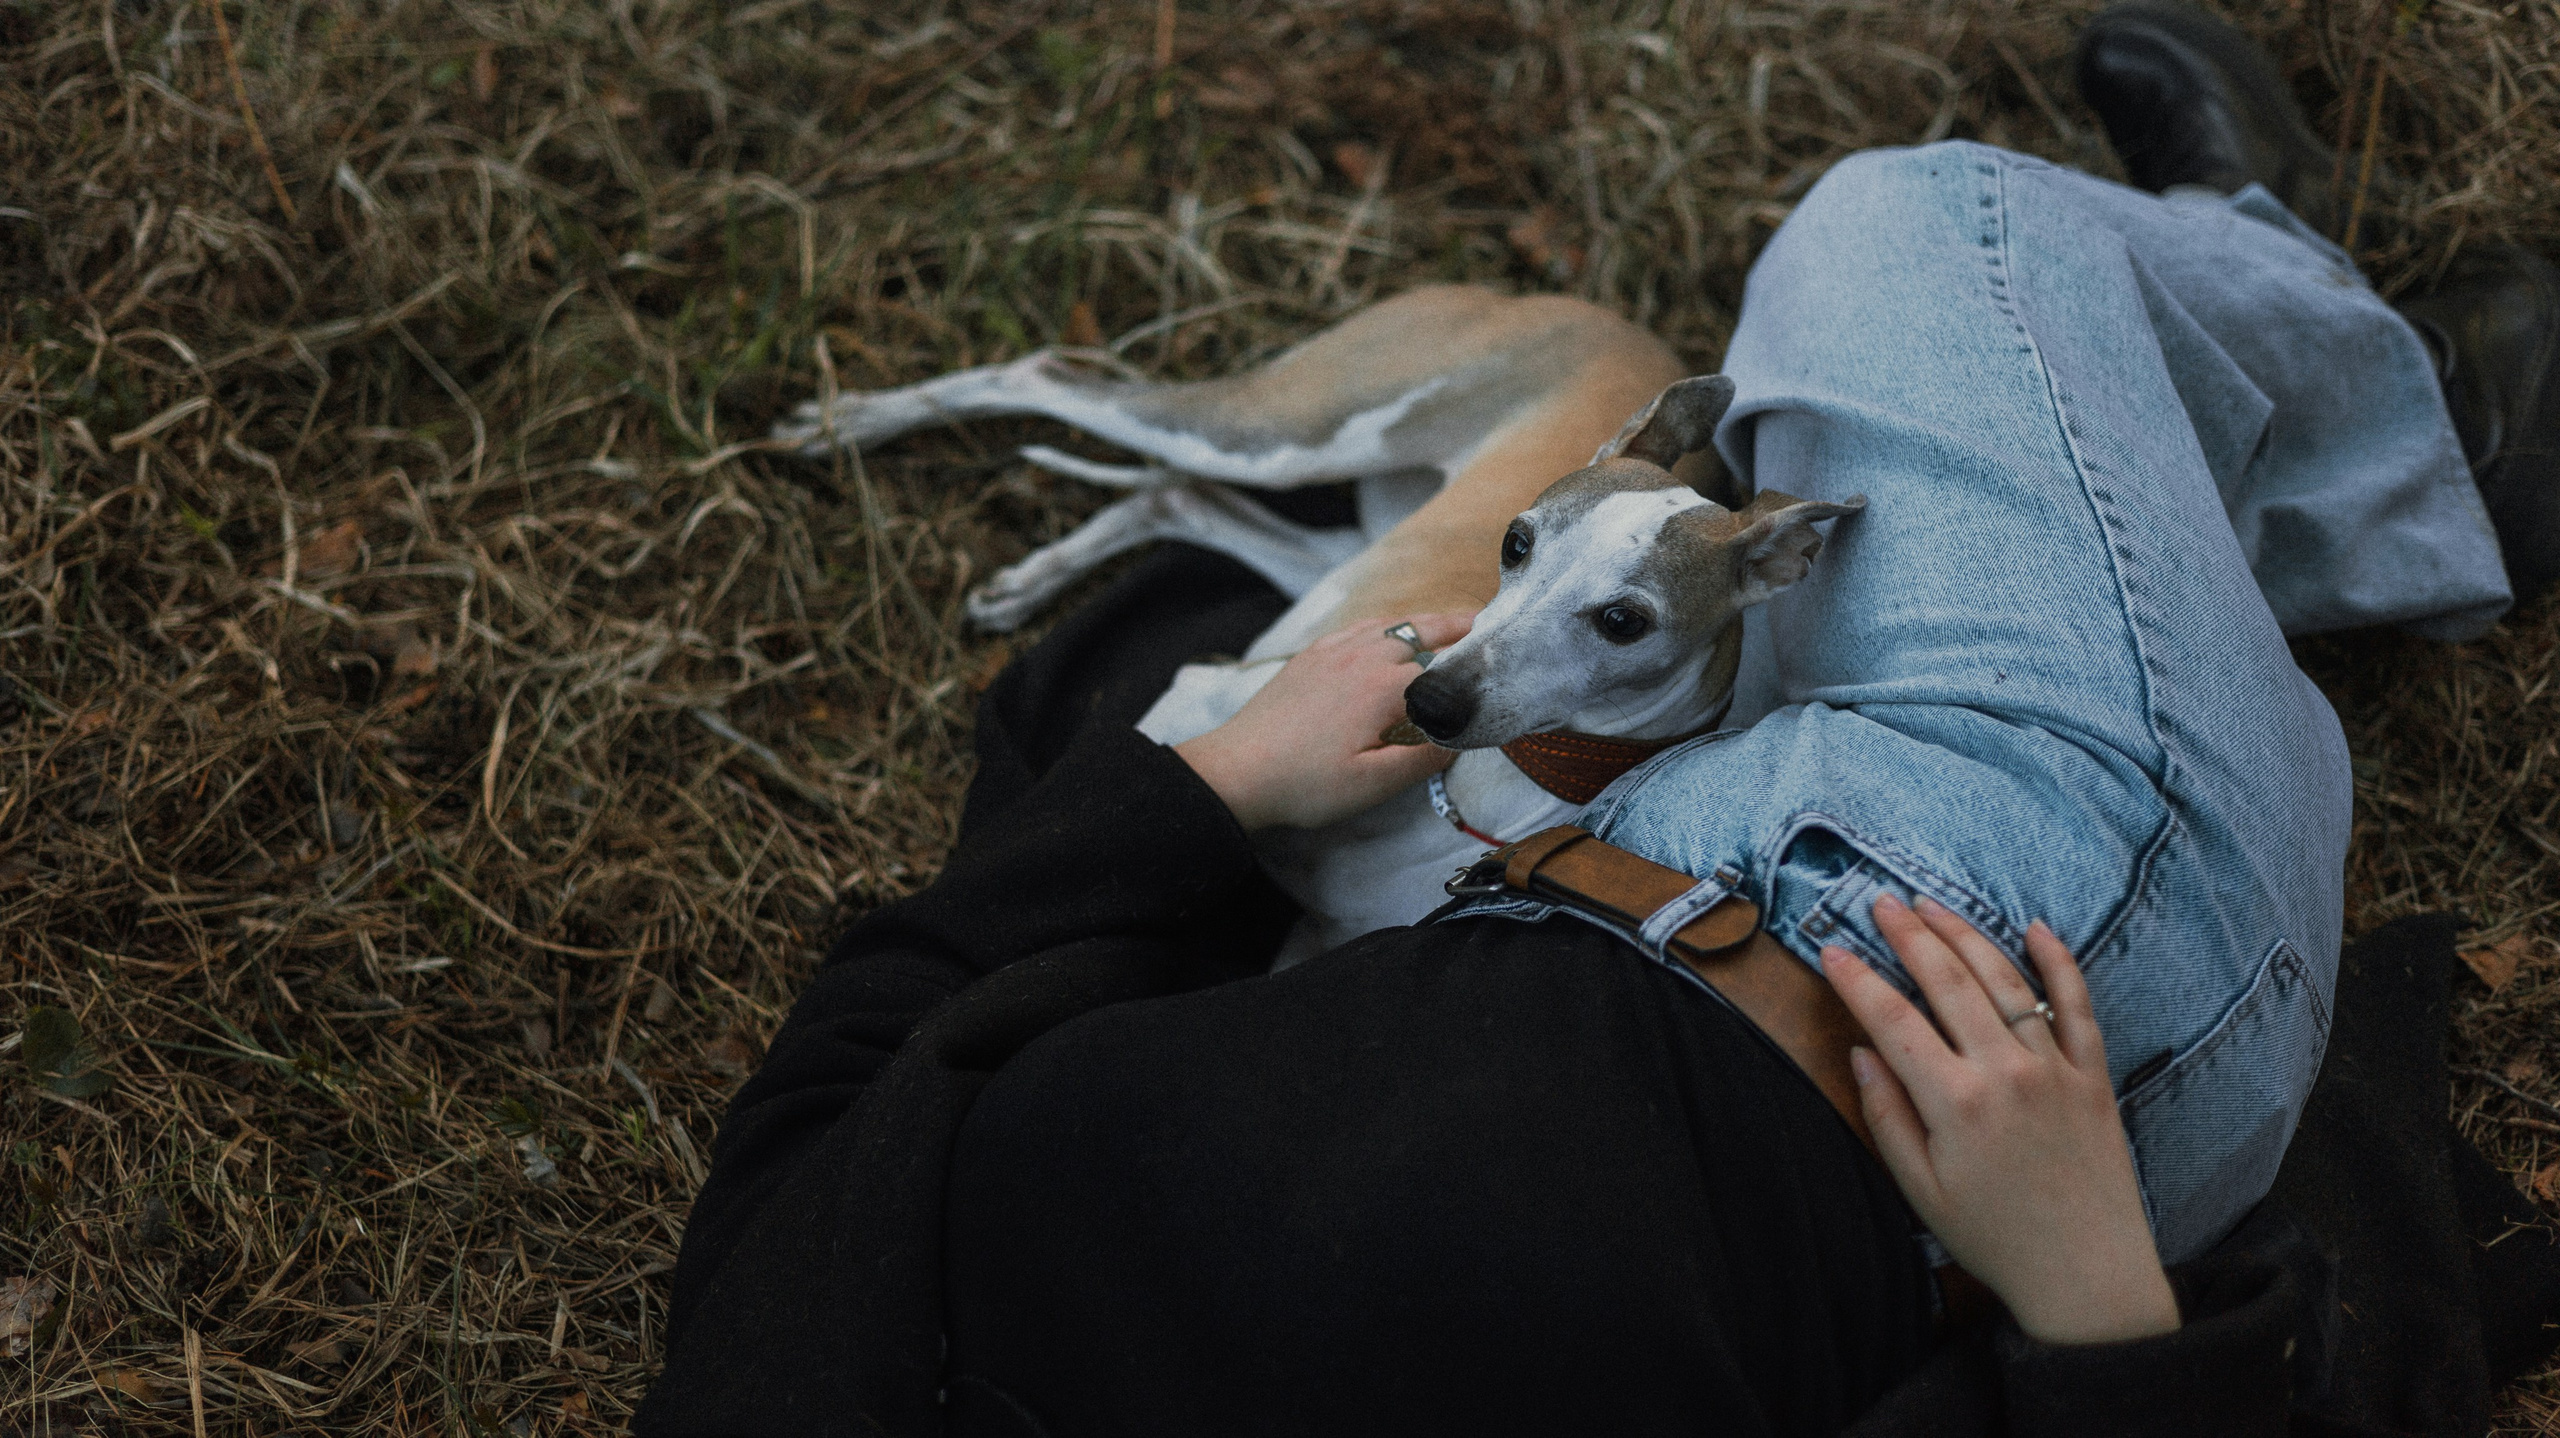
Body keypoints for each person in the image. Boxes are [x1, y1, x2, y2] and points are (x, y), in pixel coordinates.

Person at [636, 6, 2560, 1434]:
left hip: (1574, 840)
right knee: (1918, 229)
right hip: (1991, 978)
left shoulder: (780, 1377)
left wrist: (1210, 780)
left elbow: (842, 1070)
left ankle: (2225, 442)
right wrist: (2097, 1308)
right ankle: (2399, 416)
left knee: (1889, 362)